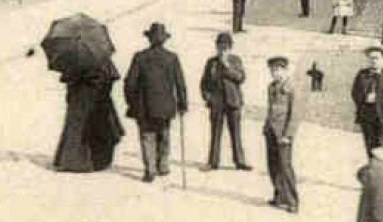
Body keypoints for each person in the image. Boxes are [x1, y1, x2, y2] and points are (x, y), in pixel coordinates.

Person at [124, 22, 188, 182]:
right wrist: (182, 103)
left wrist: (132, 102)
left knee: (147, 136)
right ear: (164, 40)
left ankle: (150, 169)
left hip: (144, 105)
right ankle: (163, 165)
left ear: (149, 39)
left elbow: (130, 83)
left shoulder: (139, 57)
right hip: (165, 105)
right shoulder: (172, 58)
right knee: (163, 133)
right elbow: (180, 83)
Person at [53, 51, 124, 173]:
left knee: (78, 130)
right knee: (97, 128)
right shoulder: (102, 58)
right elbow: (110, 79)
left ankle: (72, 161)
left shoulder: (74, 58)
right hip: (96, 99)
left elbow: (68, 80)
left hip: (80, 100)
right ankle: (96, 162)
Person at [200, 32, 251, 171]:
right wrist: (207, 97)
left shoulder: (235, 60)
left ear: (230, 48)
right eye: (220, 47)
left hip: (233, 101)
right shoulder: (211, 62)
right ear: (216, 47)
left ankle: (240, 161)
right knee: (215, 133)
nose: (222, 50)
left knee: (236, 132)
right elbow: (204, 82)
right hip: (217, 102)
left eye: (226, 47)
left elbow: (241, 78)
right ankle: (213, 162)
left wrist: (227, 66)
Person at [263, 55, 300, 213]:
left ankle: (292, 201)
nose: (274, 73)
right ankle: (279, 196)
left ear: (285, 70)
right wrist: (265, 127)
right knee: (273, 165)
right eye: (272, 70)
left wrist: (288, 134)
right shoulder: (271, 87)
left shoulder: (291, 87)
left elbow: (294, 114)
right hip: (271, 130)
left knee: (285, 167)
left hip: (283, 134)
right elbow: (270, 109)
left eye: (277, 70)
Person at [351, 44, 383, 156]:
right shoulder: (362, 74)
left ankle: (382, 168)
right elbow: (355, 92)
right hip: (367, 113)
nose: (373, 61)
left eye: (376, 58)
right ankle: (372, 166)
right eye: (371, 58)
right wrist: (364, 99)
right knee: (369, 143)